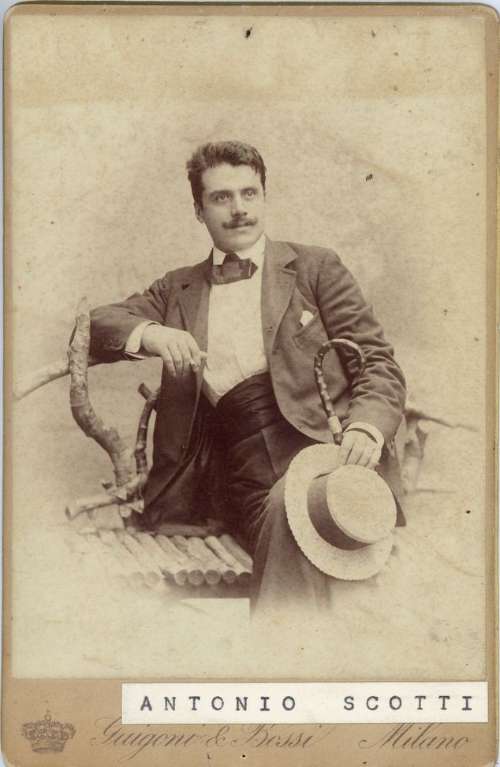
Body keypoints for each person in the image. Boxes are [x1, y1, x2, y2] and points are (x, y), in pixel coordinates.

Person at [90, 141, 406, 614]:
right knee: (291, 517)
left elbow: (377, 361)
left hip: (329, 454)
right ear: (199, 211)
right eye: (221, 197)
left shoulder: (315, 268)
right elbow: (94, 325)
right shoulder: (178, 288)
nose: (238, 209)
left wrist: (366, 427)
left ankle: (283, 649)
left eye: (249, 193)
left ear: (263, 196)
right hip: (239, 477)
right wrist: (152, 333)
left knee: (306, 508)